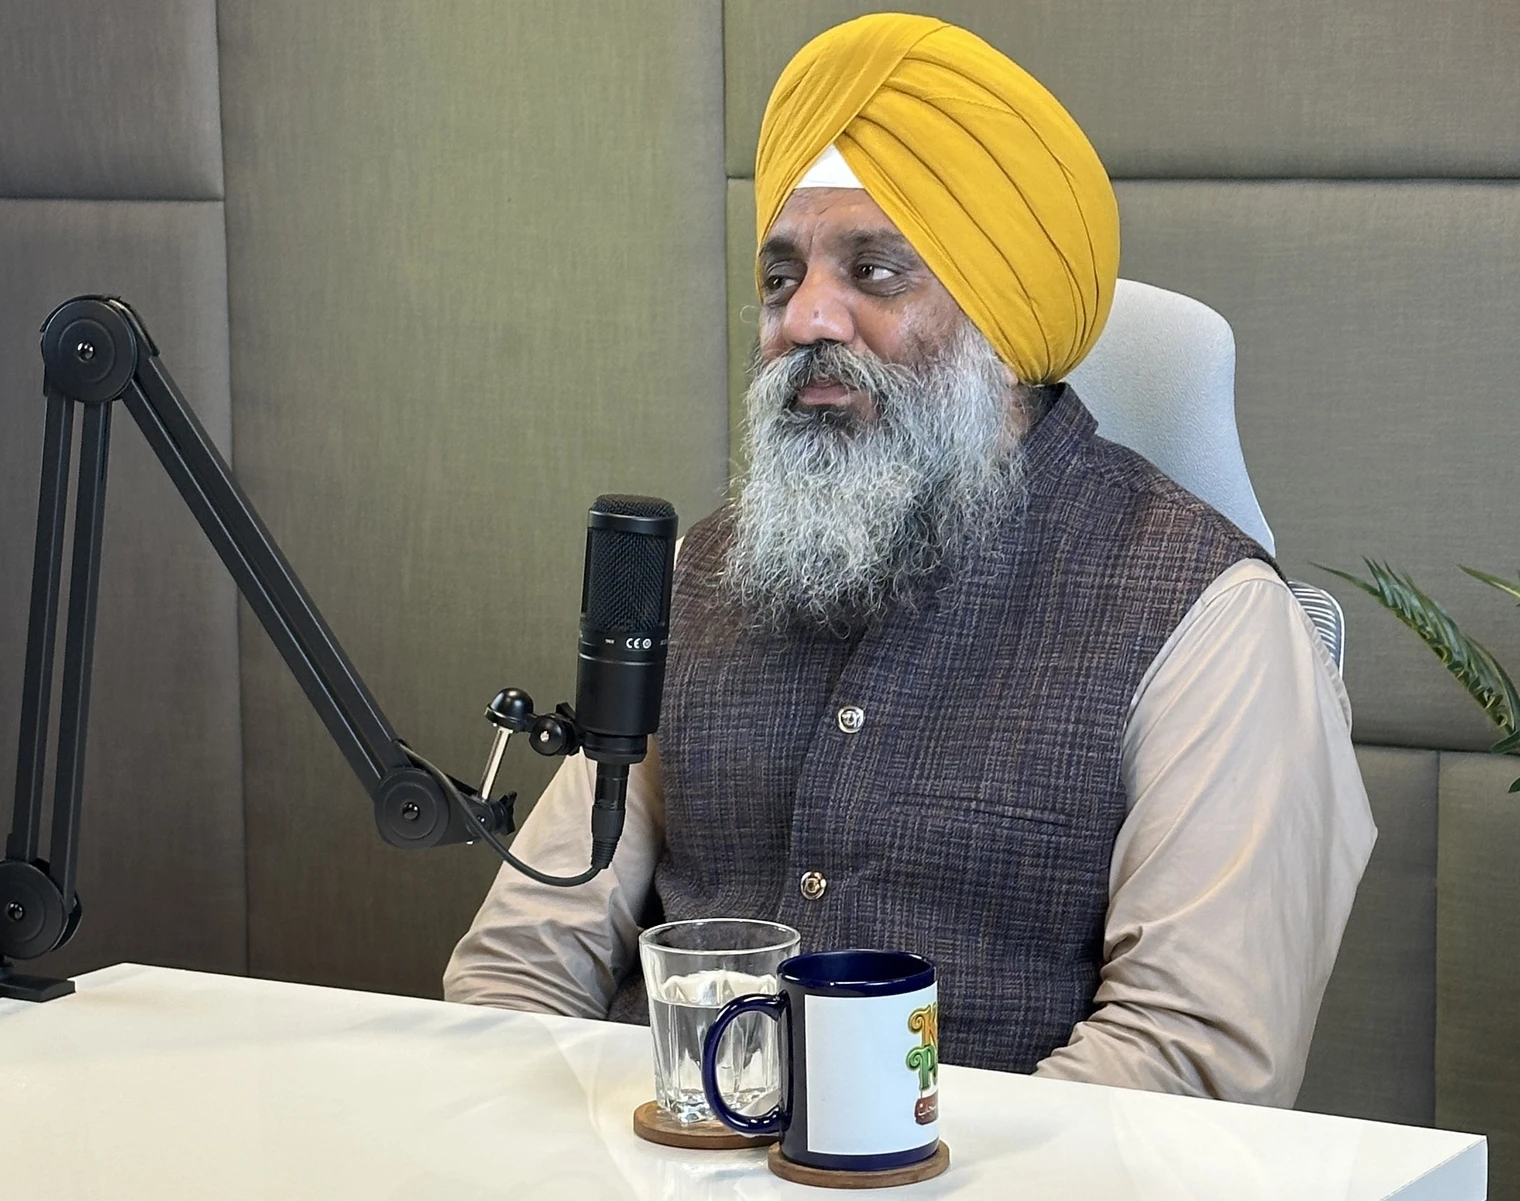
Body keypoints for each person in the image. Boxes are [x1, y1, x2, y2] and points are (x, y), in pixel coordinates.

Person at [445, 12, 1374, 1107]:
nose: (805, 317)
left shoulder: (1211, 615)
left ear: (1002, 322)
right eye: (780, 277)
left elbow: (1187, 1062)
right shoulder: (705, 570)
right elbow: (520, 963)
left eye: (876, 272)